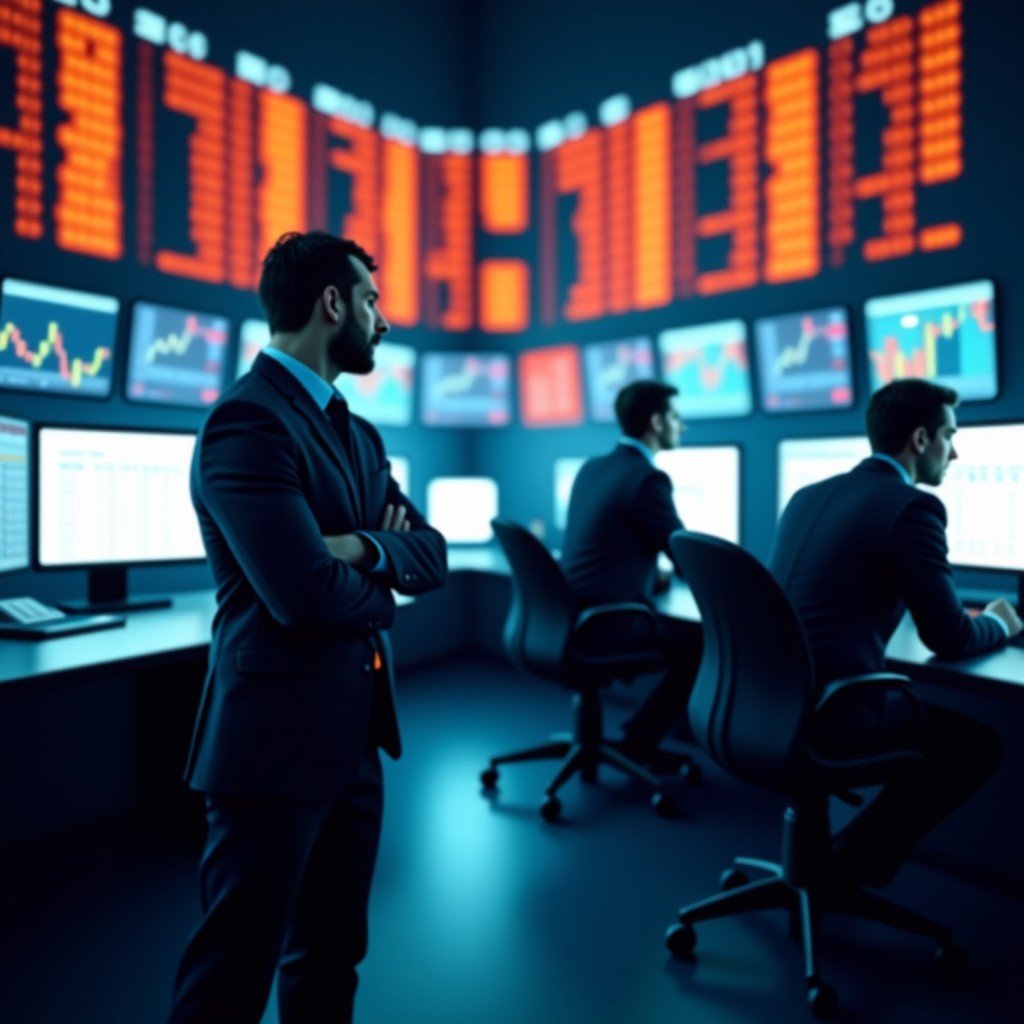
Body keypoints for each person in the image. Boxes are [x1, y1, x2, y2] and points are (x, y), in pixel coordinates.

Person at [168, 231, 447, 1024]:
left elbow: (431, 553)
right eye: (371, 300)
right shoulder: (246, 424)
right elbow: (302, 595)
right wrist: (382, 588)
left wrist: (360, 546)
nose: (383, 322)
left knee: (331, 960)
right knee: (232, 974)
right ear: (333, 304)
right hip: (271, 751)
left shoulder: (357, 435)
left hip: (355, 739)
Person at [769, 378, 1021, 887]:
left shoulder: (807, 495)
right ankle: (850, 869)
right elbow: (949, 638)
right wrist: (1002, 621)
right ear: (922, 440)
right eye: (950, 436)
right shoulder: (912, 507)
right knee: (975, 746)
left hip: (769, 702)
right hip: (831, 713)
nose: (956, 453)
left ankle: (835, 863)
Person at [560, 379, 702, 768]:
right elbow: (684, 555)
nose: (682, 426)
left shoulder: (593, 468)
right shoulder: (648, 478)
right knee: (699, 639)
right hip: (606, 624)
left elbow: (605, 546)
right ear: (656, 423)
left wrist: (647, 574)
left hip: (568, 616)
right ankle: (641, 741)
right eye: (676, 416)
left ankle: (637, 737)